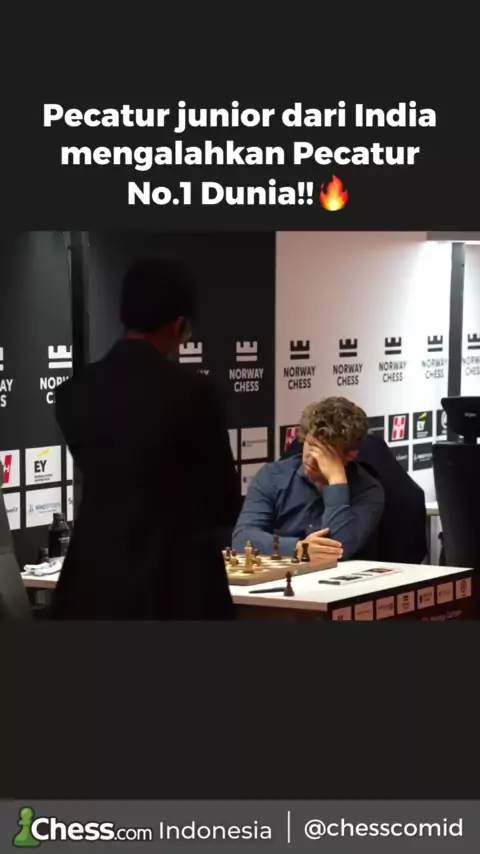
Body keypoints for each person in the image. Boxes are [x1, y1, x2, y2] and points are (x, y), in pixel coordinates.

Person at [51, 259, 241, 619]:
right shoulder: (194, 393)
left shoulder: (73, 392)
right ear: (178, 325)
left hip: (93, 583)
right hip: (179, 588)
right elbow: (224, 502)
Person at [233, 397, 385, 562]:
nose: (312, 459)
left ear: (350, 455)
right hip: (284, 572)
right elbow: (242, 539)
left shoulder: (368, 491)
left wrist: (336, 480)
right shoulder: (272, 476)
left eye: (324, 454)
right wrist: (297, 548)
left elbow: (339, 549)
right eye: (311, 445)